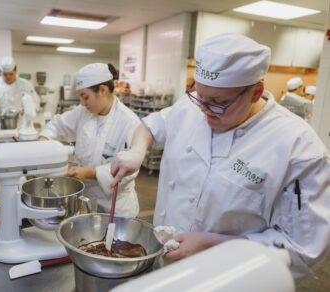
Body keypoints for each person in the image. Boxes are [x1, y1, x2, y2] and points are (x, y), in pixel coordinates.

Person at [110, 33, 330, 281]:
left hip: (229, 278)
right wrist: (137, 151)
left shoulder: (298, 149)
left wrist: (211, 244)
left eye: (218, 103)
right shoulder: (192, 107)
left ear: (256, 93)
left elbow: (303, 248)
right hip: (165, 266)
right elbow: (150, 126)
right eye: (199, 96)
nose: (204, 110)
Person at [39, 63, 141, 217]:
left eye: (85, 97)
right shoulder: (83, 112)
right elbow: (57, 124)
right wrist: (43, 141)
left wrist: (90, 172)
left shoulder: (129, 122)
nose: (82, 103)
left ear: (102, 90)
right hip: (85, 200)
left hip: (115, 207)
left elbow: (129, 170)